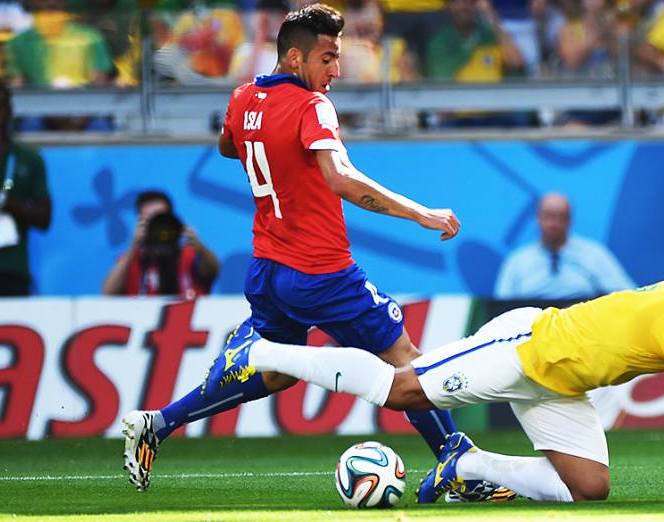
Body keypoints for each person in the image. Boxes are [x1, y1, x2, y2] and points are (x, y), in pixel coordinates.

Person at [121, 4, 511, 503]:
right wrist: (421, 213)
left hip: (269, 269)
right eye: (327, 58)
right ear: (296, 56)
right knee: (406, 361)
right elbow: (340, 179)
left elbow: (228, 146)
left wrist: (274, 152)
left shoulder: (243, 97)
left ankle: (159, 422)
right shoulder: (312, 108)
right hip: (322, 271)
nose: (336, 71)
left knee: (278, 372)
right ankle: (457, 462)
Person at [204, 236, 664, 504]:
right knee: (404, 393)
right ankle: (255, 354)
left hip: (560, 382)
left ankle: (466, 466)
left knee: (589, 490)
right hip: (521, 346)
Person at [0, 80, 50, 296]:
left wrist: (3, 201)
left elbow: (44, 218)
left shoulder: (29, 158)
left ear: (10, 111)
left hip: (13, 269)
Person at [494, 192, 634, 299]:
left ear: (570, 221)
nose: (555, 223)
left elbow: (627, 294)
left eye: (562, 217)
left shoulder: (594, 253)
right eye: (549, 216)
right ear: (538, 218)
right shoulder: (517, 261)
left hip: (581, 327)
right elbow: (500, 307)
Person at [102, 190, 220, 299]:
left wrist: (200, 247)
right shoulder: (132, 259)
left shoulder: (189, 254)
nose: (157, 225)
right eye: (150, 219)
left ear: (171, 219)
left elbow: (213, 270)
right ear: (140, 222)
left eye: (160, 218)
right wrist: (133, 245)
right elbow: (108, 293)